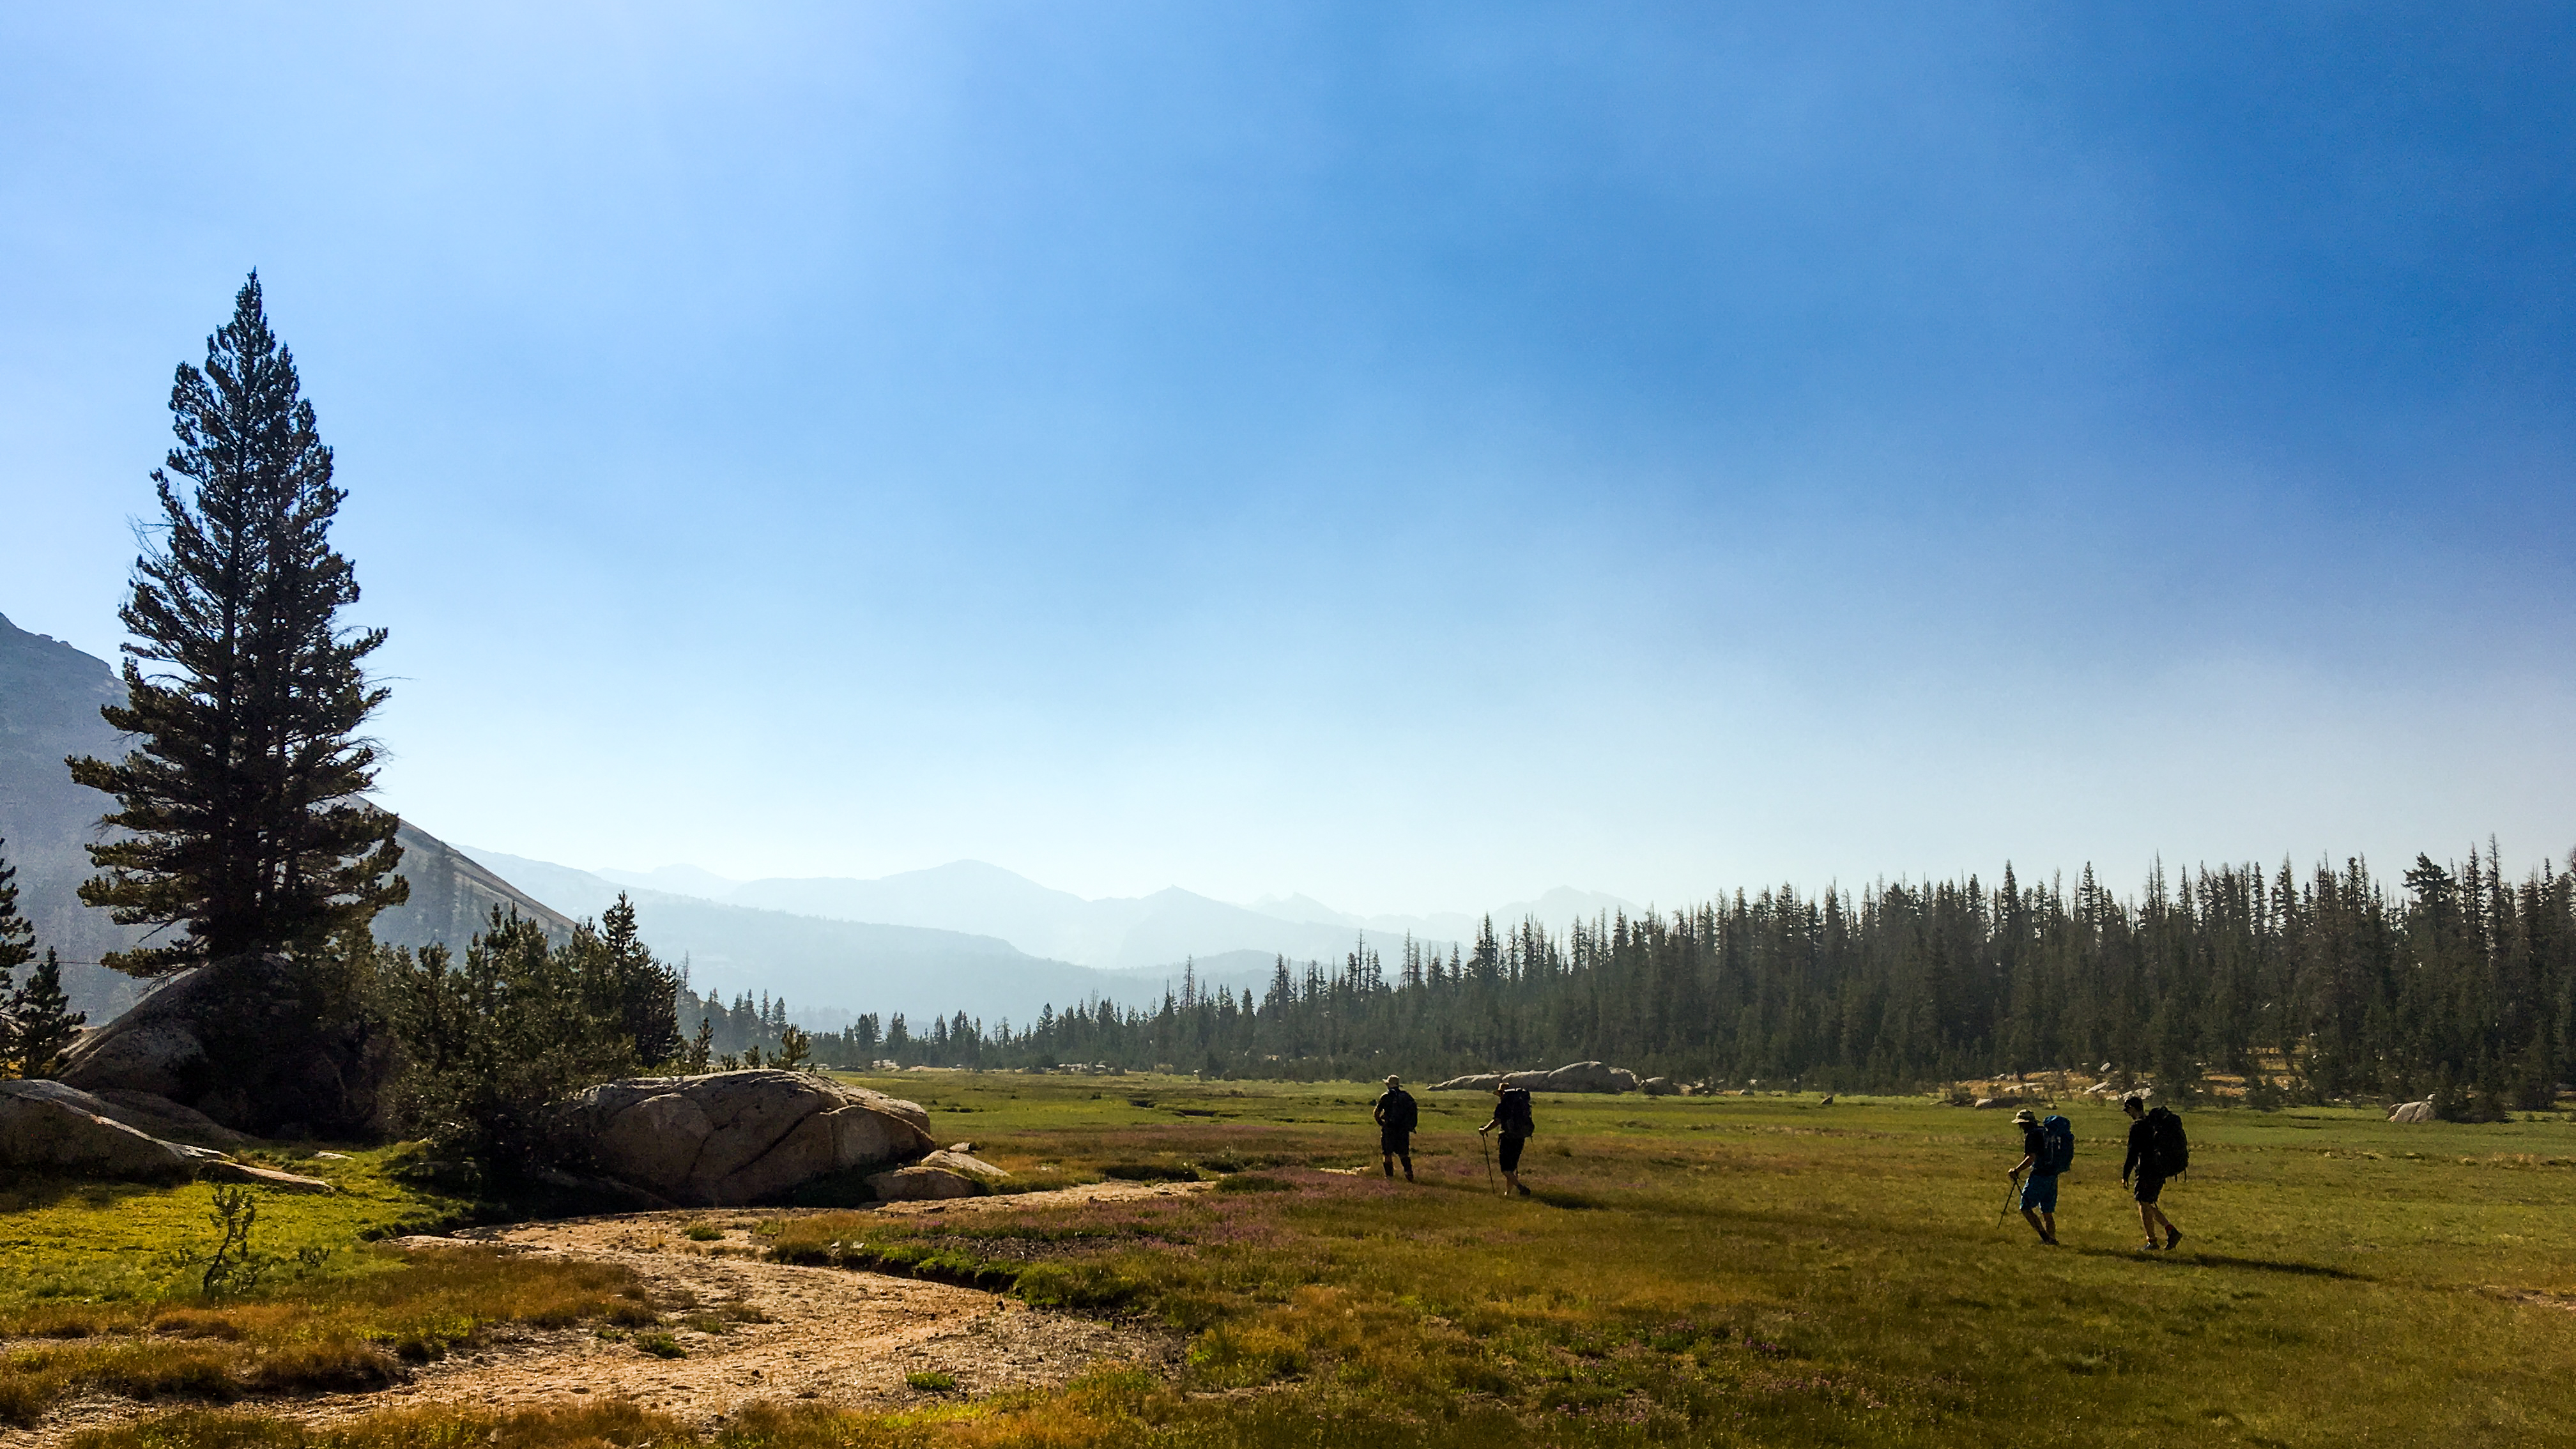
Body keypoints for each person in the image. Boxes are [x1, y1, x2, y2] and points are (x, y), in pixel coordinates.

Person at [2119, 1091, 2186, 1251]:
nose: (2128, 1114)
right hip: (2160, 1169)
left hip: (2146, 1170)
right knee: (2148, 1202)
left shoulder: (2138, 1126)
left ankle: (2152, 1242)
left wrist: (2125, 1175)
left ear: (2132, 1108)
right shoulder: (2153, 1123)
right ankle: (2171, 1231)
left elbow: (2132, 1153)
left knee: (2143, 1203)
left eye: (2128, 1111)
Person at [2007, 1107, 2058, 1245]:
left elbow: (2031, 1158)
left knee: (2025, 1207)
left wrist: (2017, 1170)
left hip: (2040, 1175)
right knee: (2047, 1210)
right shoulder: (2045, 1132)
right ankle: (2052, 1239)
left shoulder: (2032, 1135)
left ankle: (2045, 1238)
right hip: (2052, 1175)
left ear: (2024, 1123)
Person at [1479, 1077, 1535, 1196]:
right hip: (1520, 1137)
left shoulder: (1503, 1105)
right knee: (1512, 1167)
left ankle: (1521, 1188)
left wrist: (1484, 1130)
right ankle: (1508, 1193)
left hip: (1507, 1138)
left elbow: (1497, 1121)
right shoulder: (1520, 1104)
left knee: (1505, 1169)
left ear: (1502, 1094)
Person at [1374, 1074, 1420, 1181]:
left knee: (1387, 1154)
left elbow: (1377, 1112)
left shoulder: (1386, 1097)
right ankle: (1408, 1173)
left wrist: (1381, 1122)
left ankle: (1389, 1177)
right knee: (1404, 1153)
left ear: (1389, 1085)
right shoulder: (1407, 1097)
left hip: (1389, 1129)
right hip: (1403, 1130)